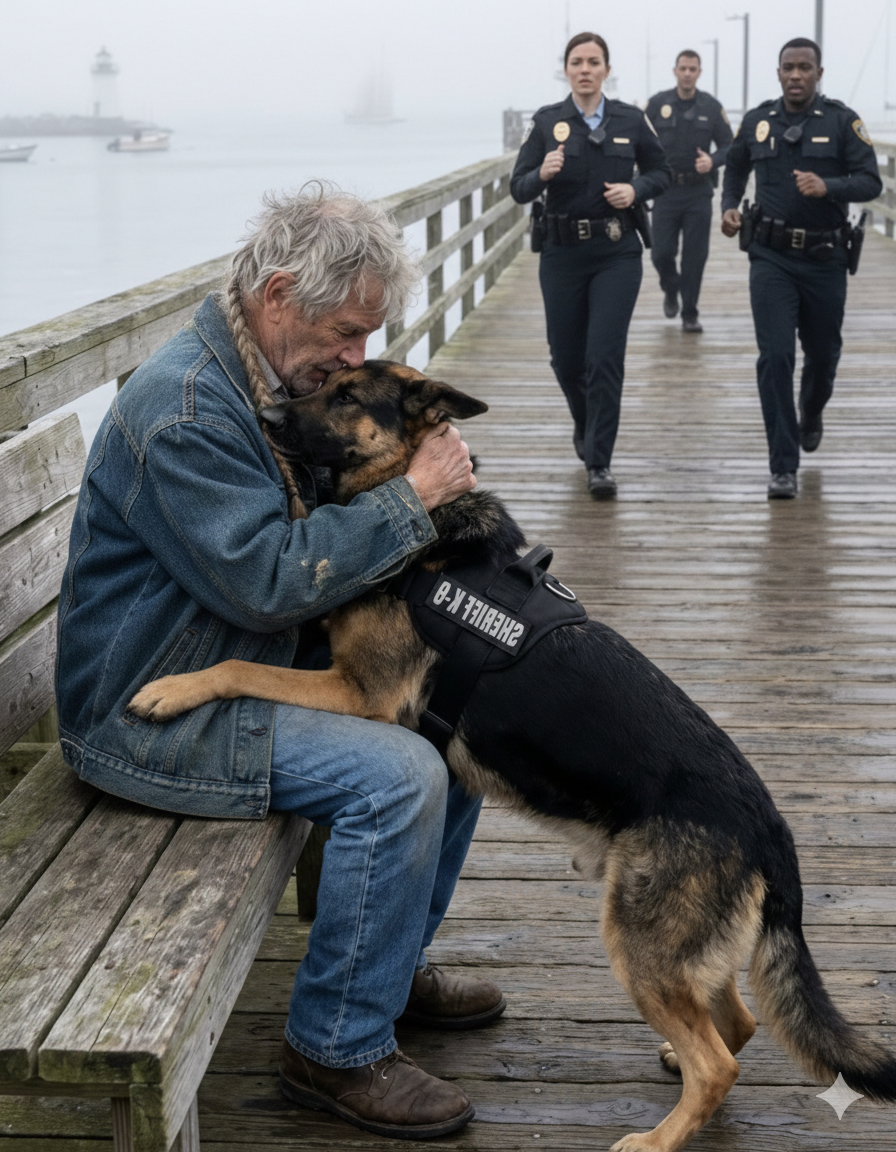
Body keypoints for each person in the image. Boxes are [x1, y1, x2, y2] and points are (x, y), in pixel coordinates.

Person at [54, 185, 506, 1141]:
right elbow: (264, 583)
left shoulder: (265, 375)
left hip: (226, 656)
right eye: (345, 335)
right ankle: (335, 1050)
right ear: (280, 293)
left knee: (454, 721)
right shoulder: (187, 411)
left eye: (366, 340)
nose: (355, 357)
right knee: (402, 776)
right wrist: (414, 498)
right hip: (144, 711)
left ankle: (388, 962)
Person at [510, 32, 671, 498]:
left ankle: (600, 461)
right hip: (561, 255)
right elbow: (517, 188)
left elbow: (662, 172)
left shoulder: (631, 120)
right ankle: (585, 422)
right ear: (566, 69)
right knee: (566, 360)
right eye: (577, 61)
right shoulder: (547, 123)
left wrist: (636, 190)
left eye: (594, 61)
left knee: (603, 358)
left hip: (616, 254)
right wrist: (541, 173)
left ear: (606, 69)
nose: (585, 69)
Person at [721, 38, 882, 499]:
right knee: (775, 358)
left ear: (818, 73)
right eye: (788, 67)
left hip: (824, 259)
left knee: (824, 356)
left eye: (804, 68)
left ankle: (811, 411)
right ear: (778, 73)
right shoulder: (757, 122)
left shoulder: (841, 121)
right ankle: (783, 467)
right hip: (770, 257)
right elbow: (734, 170)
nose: (796, 75)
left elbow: (870, 180)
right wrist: (730, 207)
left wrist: (827, 185)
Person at [646, 49, 733, 332]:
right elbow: (640, 142)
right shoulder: (658, 105)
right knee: (661, 253)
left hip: (698, 192)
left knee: (695, 256)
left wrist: (712, 161)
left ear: (699, 72)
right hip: (666, 191)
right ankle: (671, 288)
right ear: (675, 71)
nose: (687, 73)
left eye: (692, 69)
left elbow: (730, 146)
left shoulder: (711, 107)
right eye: (682, 68)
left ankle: (690, 313)